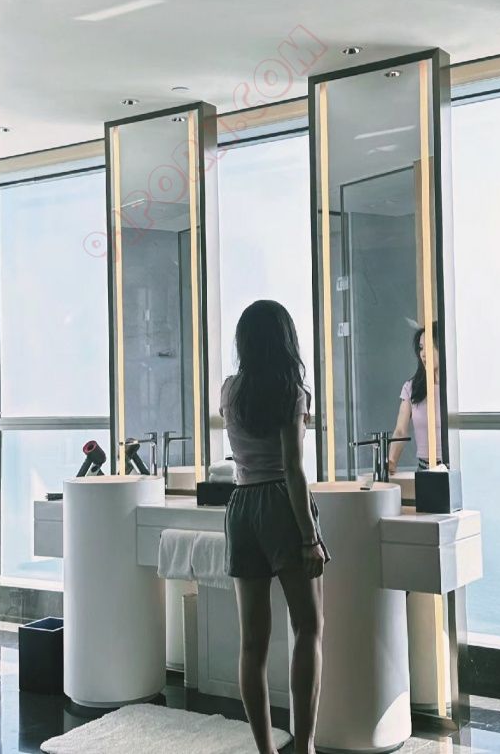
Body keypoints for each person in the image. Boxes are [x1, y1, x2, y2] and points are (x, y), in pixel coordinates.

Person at [220, 300, 329, 754]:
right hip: (282, 507)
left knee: (252, 644)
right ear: (286, 341)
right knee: (308, 628)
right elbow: (292, 468)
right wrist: (310, 537)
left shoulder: (229, 390)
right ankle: (303, 747)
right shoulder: (291, 392)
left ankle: (265, 750)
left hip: (241, 506)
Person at [388, 322, 442, 474]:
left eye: (428, 347)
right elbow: (400, 430)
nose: (423, 354)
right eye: (421, 348)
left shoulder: (455, 389)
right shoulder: (411, 388)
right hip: (423, 469)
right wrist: (391, 461)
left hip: (452, 468)